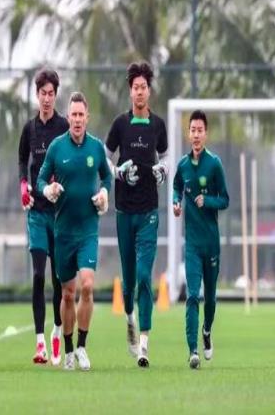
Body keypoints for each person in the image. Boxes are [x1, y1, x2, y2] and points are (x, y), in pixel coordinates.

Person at [37, 92, 111, 371]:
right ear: (68, 118)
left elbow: (107, 177)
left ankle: (81, 346)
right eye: (74, 115)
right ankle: (67, 350)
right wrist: (48, 189)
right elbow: (41, 178)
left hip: (88, 230)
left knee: (88, 286)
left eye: (82, 115)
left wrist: (104, 194)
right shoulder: (56, 148)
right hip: (63, 232)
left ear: (87, 118)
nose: (77, 120)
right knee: (68, 294)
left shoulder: (96, 148)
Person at [104, 61, 168, 368]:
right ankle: (129, 316)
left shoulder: (158, 125)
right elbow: (105, 157)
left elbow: (166, 156)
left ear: (149, 91)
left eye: (143, 87)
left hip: (149, 211)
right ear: (130, 92)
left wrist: (163, 170)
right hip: (123, 211)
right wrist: (117, 172)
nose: (139, 92)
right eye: (135, 88)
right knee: (128, 280)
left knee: (144, 276)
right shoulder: (120, 124)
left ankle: (144, 344)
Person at [18, 69, 68, 365]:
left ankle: (57, 331)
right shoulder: (29, 129)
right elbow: (22, 160)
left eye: (51, 94)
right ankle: (39, 343)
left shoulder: (64, 126)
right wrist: (23, 184)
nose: (47, 99)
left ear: (55, 95)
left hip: (59, 214)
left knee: (58, 278)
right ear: (36, 95)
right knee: (38, 276)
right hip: (37, 213)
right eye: (42, 94)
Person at [173, 110, 229, 369]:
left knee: (211, 298)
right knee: (192, 295)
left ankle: (207, 330)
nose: (196, 135)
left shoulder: (214, 164)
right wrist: (176, 202)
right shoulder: (183, 166)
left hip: (211, 243)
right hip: (192, 245)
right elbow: (176, 187)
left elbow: (225, 200)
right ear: (189, 134)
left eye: (200, 130)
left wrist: (208, 201)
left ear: (206, 134)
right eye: (192, 130)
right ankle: (193, 350)